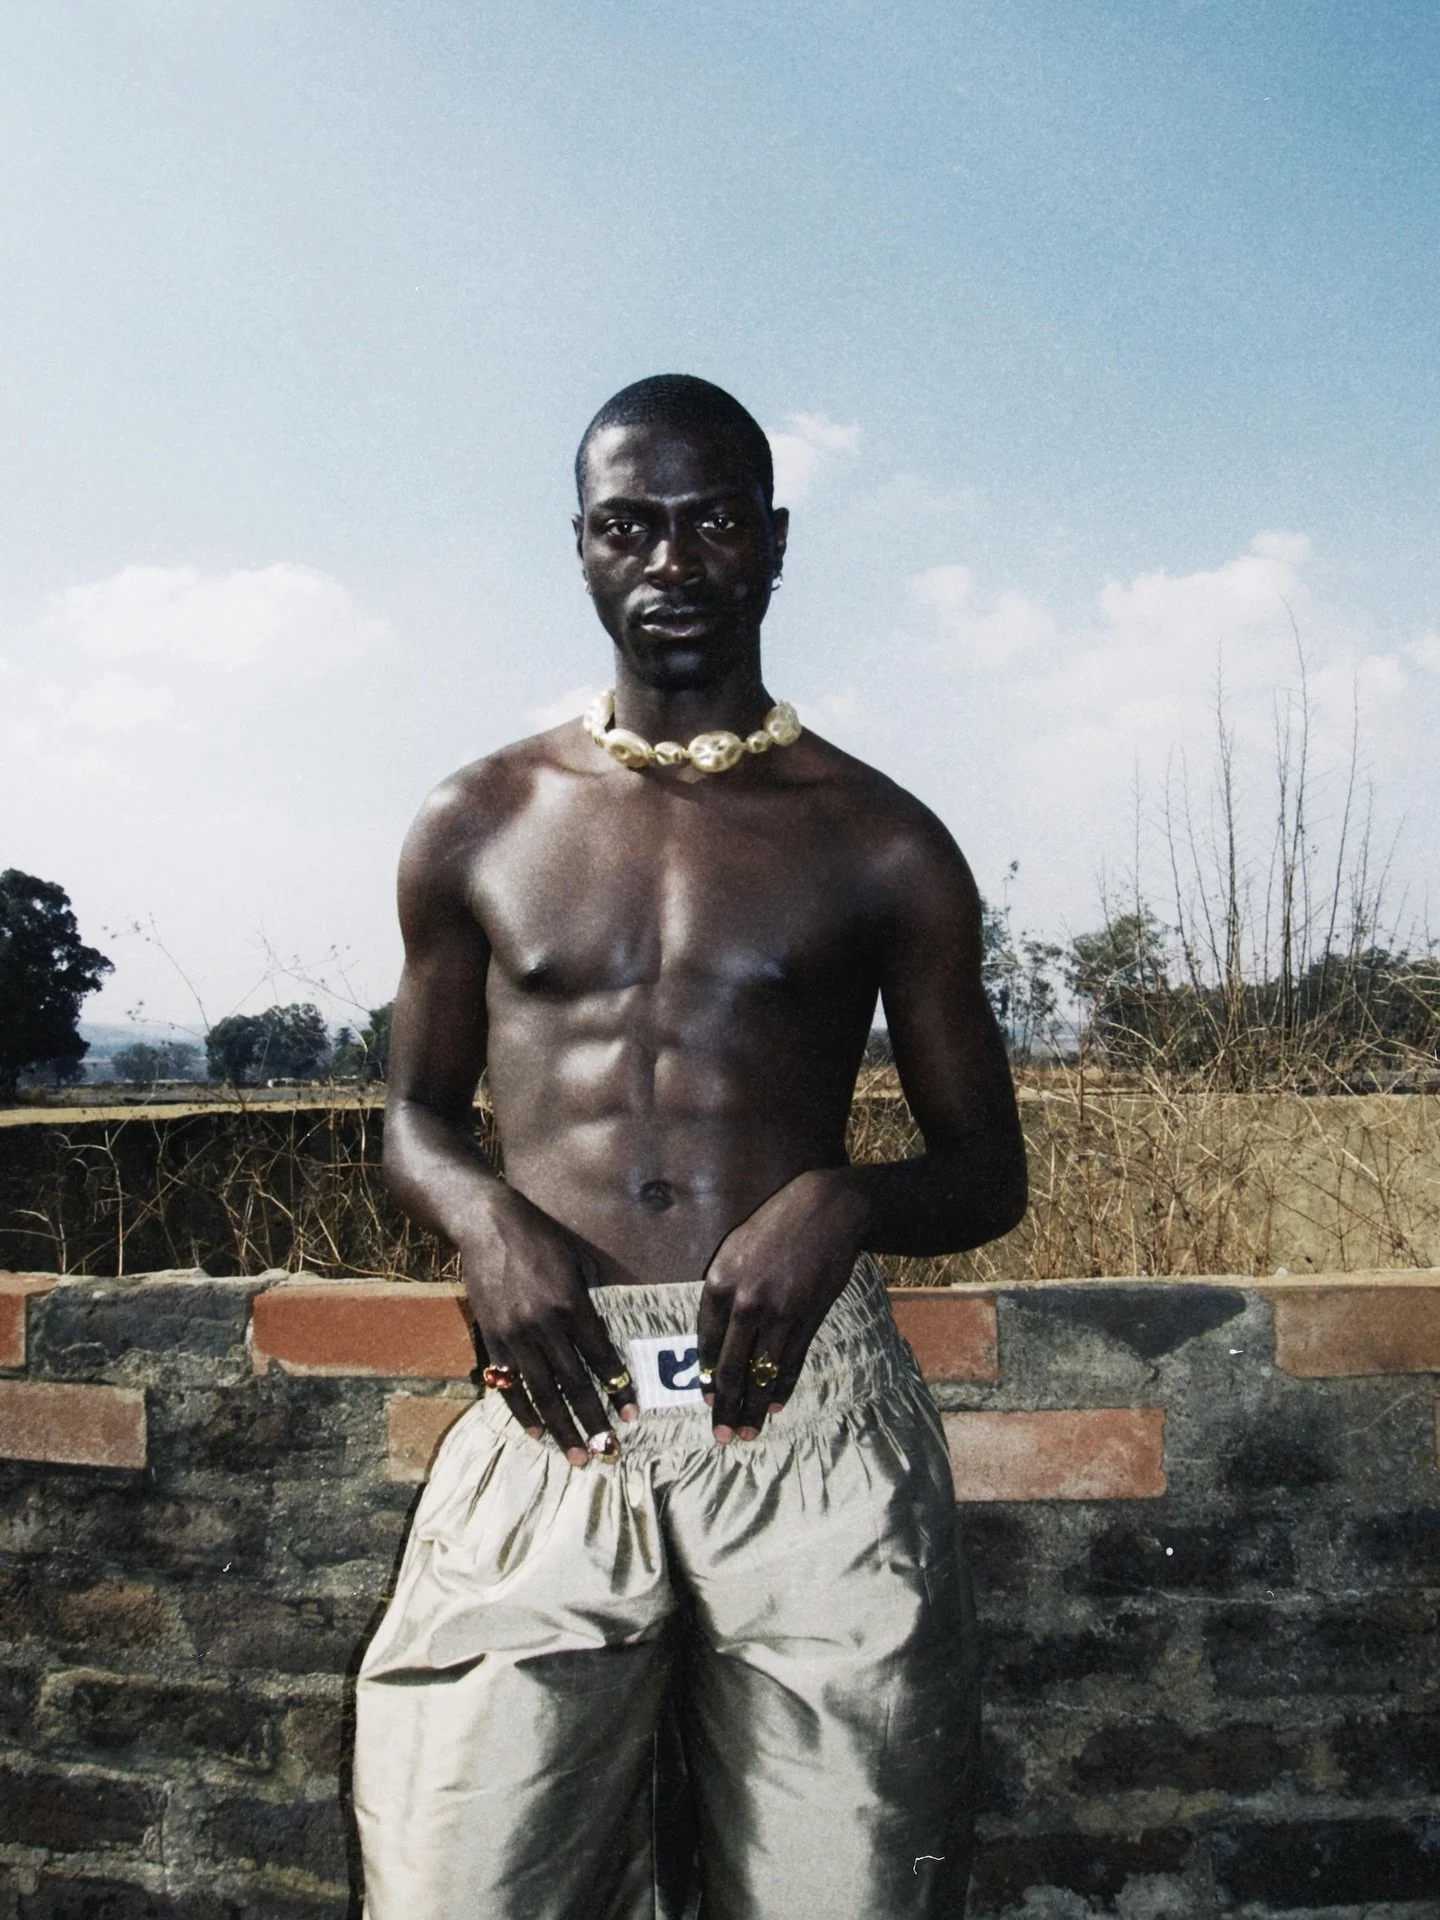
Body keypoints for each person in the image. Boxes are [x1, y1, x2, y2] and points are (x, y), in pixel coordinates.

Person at [352, 374, 1027, 1920]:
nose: (673, 563)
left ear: (774, 544)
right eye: (629, 527)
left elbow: (990, 1170)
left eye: (714, 522)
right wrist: (483, 1222)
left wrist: (844, 1202)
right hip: (553, 1416)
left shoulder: (881, 840)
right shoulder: (477, 819)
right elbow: (410, 1116)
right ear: (582, 551)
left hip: (805, 1429)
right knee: (458, 1886)